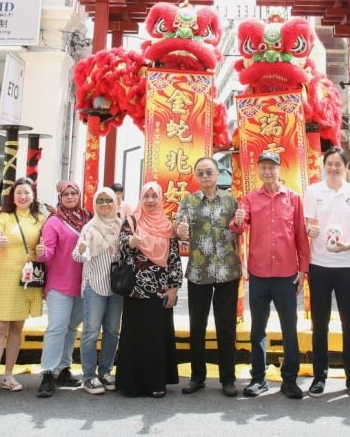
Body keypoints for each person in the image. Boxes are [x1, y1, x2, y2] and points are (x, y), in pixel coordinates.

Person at [230, 151, 309, 400]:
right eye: (263, 167)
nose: (267, 172)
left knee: (289, 328)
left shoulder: (293, 199)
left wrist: (303, 270)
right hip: (260, 274)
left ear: (279, 170)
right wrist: (238, 221)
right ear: (258, 171)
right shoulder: (251, 198)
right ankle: (258, 378)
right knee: (258, 330)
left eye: (271, 167)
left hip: (286, 274)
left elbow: (300, 235)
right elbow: (239, 228)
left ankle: (289, 379)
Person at [302, 148, 350, 397]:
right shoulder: (314, 191)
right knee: (320, 323)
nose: (334, 168)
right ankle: (320, 377)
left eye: (339, 164)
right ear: (323, 165)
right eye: (329, 163)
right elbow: (308, 223)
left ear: (346, 167)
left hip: (347, 265)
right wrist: (311, 231)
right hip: (319, 265)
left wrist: (349, 244)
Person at [176, 157, 242, 397]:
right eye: (201, 173)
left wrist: (241, 223)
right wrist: (181, 231)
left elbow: (239, 227)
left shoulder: (230, 199)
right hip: (199, 272)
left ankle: (228, 379)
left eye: (209, 172)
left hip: (227, 271)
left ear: (217, 174)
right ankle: (197, 377)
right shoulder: (189, 202)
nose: (205, 176)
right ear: (196, 176)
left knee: (226, 328)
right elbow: (179, 229)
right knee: (198, 326)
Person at [0, 177, 46, 400]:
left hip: (27, 276)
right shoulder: (5, 217)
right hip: (4, 274)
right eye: (18, 193)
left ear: (33, 195)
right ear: (12, 196)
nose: (23, 196)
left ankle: (8, 374)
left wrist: (42, 249)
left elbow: (46, 246)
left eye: (27, 192)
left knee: (18, 325)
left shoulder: (41, 219)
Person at [116, 182, 182, 397]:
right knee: (133, 337)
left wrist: (174, 288)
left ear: (160, 198)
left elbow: (174, 259)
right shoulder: (131, 221)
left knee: (156, 337)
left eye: (155, 196)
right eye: (147, 196)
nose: (151, 200)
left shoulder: (167, 226)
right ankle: (131, 385)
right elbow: (121, 247)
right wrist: (131, 243)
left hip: (159, 291)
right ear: (141, 199)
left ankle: (156, 383)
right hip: (135, 290)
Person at [37, 181, 91, 397]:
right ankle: (48, 373)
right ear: (60, 197)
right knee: (57, 327)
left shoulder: (87, 219)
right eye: (66, 194)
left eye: (73, 193)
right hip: (59, 283)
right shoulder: (54, 222)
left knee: (71, 328)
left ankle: (63, 368)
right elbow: (47, 252)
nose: (70, 197)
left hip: (83, 284)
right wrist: (42, 252)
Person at [73, 187, 123, 395]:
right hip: (94, 284)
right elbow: (77, 255)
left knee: (112, 330)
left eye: (108, 200)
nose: (104, 204)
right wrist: (83, 250)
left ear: (115, 203)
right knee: (91, 331)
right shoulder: (89, 228)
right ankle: (88, 376)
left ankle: (105, 371)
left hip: (117, 286)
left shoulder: (122, 225)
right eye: (100, 200)